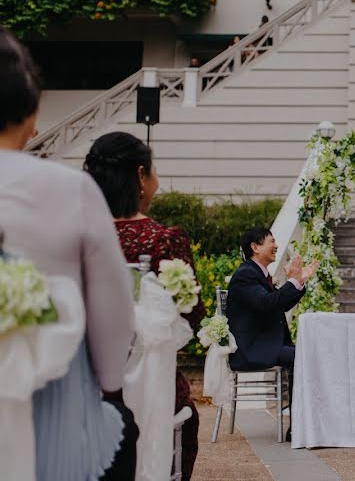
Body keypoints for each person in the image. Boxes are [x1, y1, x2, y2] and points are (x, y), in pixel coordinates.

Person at [0, 28, 139, 479]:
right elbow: (113, 311)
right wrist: (111, 387)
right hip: (54, 408)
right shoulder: (68, 189)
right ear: (30, 111)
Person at [83, 130, 204, 480]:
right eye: (154, 172)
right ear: (140, 176)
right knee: (186, 417)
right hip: (152, 389)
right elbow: (192, 316)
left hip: (84, 383)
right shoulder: (164, 241)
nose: (157, 183)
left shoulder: (79, 237)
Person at [227, 227, 318, 424]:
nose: (276, 245)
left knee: (305, 353)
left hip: (265, 343)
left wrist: (298, 281)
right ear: (255, 247)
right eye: (271, 241)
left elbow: (280, 304)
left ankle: (303, 422)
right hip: (250, 349)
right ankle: (298, 425)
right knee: (299, 356)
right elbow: (267, 303)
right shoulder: (246, 275)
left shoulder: (259, 273)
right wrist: (292, 281)